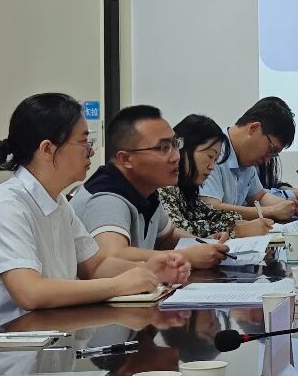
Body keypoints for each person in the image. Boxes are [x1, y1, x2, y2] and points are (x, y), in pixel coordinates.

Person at [0, 93, 189, 353]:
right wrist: (119, 285)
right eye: (83, 142)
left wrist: (148, 270)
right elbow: (30, 292)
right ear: (47, 149)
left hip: (36, 344)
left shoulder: (57, 201)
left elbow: (95, 266)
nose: (91, 150)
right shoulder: (6, 206)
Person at [71, 105, 231, 269]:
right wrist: (185, 256)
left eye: (175, 144)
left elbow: (167, 236)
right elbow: (113, 255)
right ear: (126, 159)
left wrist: (205, 244)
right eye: (163, 148)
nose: (176, 157)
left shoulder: (146, 190)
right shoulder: (106, 197)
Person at [199, 97, 298, 221]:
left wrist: (296, 208)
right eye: (271, 150)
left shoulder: (245, 161)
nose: (268, 160)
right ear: (254, 128)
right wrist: (271, 211)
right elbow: (212, 209)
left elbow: (260, 197)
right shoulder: (213, 150)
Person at [160, 114, 274, 239]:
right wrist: (235, 230)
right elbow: (176, 230)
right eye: (210, 156)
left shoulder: (187, 189)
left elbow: (210, 214)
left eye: (215, 159)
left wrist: (237, 223)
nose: (212, 167)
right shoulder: (163, 185)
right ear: (183, 148)